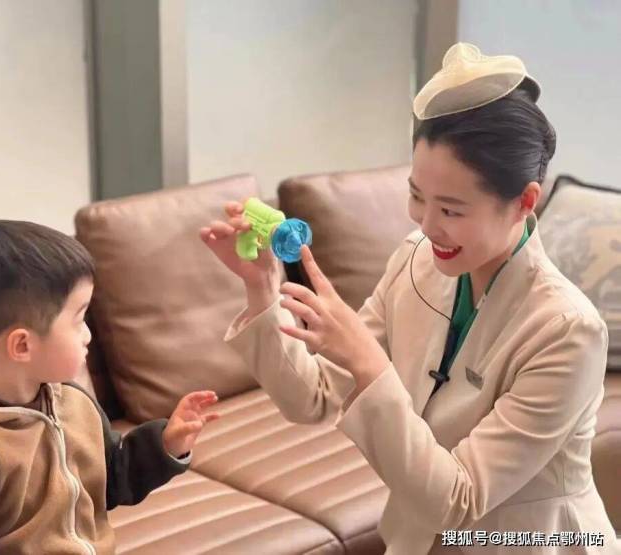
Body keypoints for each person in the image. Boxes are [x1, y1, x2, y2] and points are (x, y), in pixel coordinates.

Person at [200, 43, 618, 554]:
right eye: (417, 195)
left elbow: (460, 500)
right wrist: (261, 287)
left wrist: (368, 361)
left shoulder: (567, 331)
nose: (425, 223)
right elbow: (310, 399)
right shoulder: (415, 261)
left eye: (451, 209)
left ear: (524, 202)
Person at [0, 220, 219, 554]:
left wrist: (166, 445)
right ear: (22, 346)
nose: (88, 335)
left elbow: (110, 479)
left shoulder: (74, 403)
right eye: (79, 320)